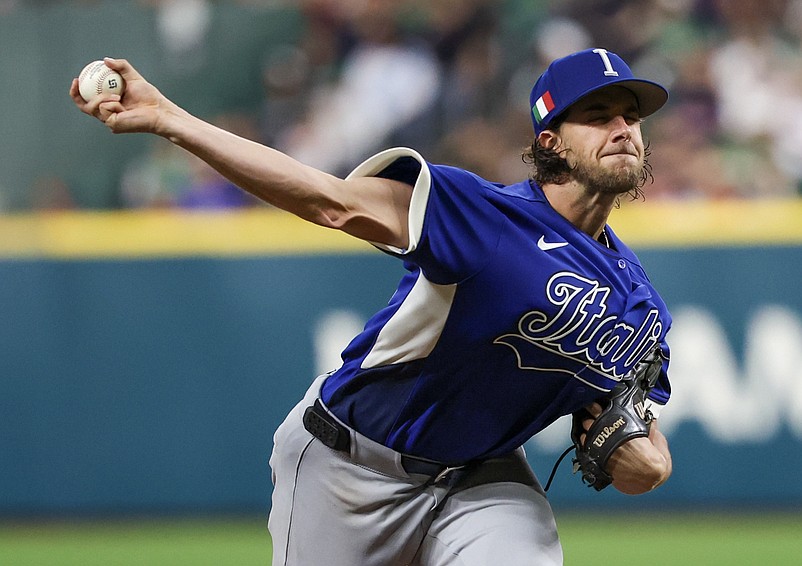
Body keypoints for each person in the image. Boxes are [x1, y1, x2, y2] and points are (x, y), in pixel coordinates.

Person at [70, 47, 673, 565]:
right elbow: (328, 200)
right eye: (597, 116)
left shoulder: (639, 302)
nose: (623, 128)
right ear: (551, 143)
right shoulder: (481, 215)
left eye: (631, 116)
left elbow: (635, 438)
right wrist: (170, 119)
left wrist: (652, 466)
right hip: (348, 464)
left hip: (483, 480)